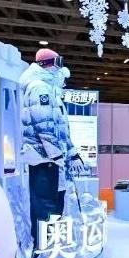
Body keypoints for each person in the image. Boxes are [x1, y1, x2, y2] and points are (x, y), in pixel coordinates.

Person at [20, 48, 85, 241]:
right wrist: (56, 155)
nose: (61, 68)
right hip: (44, 160)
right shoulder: (39, 88)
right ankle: (42, 248)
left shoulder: (50, 90)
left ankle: (52, 245)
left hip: (53, 160)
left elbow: (61, 130)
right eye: (58, 63)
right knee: (45, 206)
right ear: (48, 65)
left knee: (56, 202)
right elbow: (43, 125)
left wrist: (72, 154)